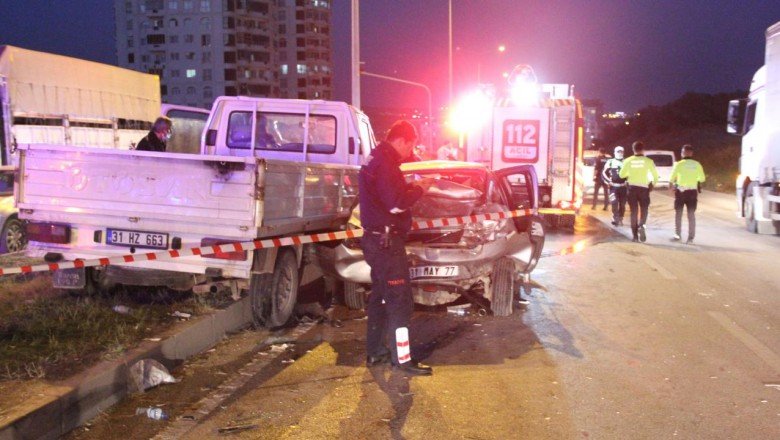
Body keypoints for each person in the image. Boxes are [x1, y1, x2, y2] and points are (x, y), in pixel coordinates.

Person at [359, 120, 434, 376]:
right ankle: (402, 360)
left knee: (380, 300)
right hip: (387, 244)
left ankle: (375, 353)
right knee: (400, 302)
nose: (410, 151)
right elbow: (396, 203)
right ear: (402, 140)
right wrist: (419, 189)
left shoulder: (375, 158)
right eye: (410, 145)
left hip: (376, 241)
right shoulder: (386, 164)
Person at [619, 141, 658, 242]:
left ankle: (635, 236)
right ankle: (642, 225)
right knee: (644, 210)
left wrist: (629, 173)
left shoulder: (627, 161)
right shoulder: (649, 161)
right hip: (644, 189)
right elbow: (655, 176)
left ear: (633, 149)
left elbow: (621, 175)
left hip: (632, 189)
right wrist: (652, 184)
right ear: (643, 149)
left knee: (634, 212)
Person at [669, 144, 706, 244]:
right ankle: (690, 238)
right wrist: (694, 179)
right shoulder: (697, 164)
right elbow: (702, 178)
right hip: (692, 193)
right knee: (691, 215)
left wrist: (673, 184)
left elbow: (672, 178)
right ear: (691, 153)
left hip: (681, 192)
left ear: (683, 153)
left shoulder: (679, 164)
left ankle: (677, 236)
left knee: (678, 214)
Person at [602, 145, 628, 226]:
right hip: (613, 187)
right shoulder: (610, 162)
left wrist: (628, 182)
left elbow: (631, 174)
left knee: (623, 204)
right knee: (614, 202)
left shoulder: (626, 162)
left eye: (621, 151)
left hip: (623, 187)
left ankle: (620, 218)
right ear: (614, 152)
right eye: (618, 151)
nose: (620, 153)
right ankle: (615, 218)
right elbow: (603, 173)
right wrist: (608, 182)